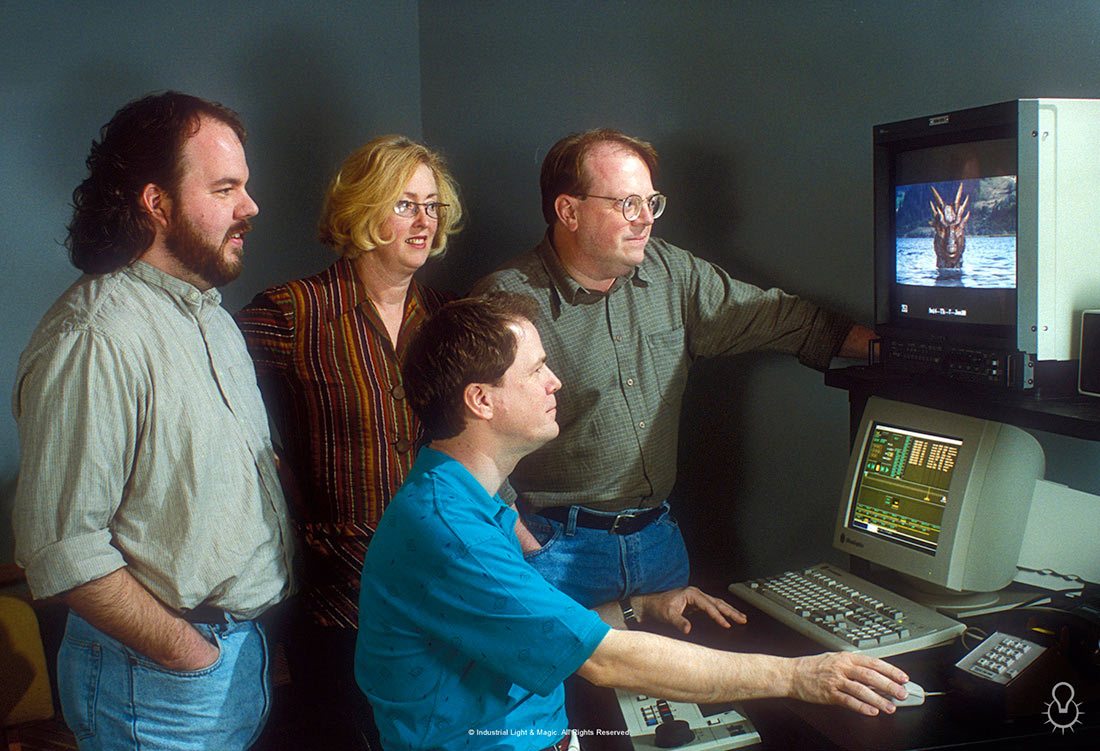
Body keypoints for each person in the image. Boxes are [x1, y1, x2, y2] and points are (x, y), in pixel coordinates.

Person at [354, 293, 910, 751]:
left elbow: (533, 630)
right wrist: (797, 676)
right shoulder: (451, 530)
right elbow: (602, 660)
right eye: (537, 369)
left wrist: (637, 608)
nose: (555, 382)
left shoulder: (461, 498)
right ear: (481, 400)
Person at [473, 129, 876, 606]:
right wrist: (526, 545)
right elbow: (464, 442)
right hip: (557, 554)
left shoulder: (671, 273)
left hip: (659, 548)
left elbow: (780, 319)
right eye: (627, 204)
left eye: (651, 203)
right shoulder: (506, 301)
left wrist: (901, 350)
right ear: (569, 211)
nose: (646, 219)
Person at [12, 91, 294, 751]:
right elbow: (62, 549)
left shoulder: (211, 317)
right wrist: (189, 654)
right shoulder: (94, 335)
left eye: (245, 186)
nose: (250, 206)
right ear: (156, 202)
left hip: (235, 661)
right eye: (225, 188)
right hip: (156, 684)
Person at [236, 135, 463, 748]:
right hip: (340, 602)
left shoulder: (448, 317)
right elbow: (213, 411)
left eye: (432, 206)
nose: (424, 221)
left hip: (443, 591)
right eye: (405, 204)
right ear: (361, 209)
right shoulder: (293, 311)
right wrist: (279, 482)